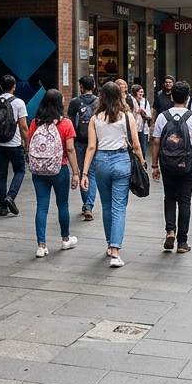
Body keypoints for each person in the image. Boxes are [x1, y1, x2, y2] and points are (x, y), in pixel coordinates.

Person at [79, 81, 144, 268]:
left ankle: (109, 244)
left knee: (106, 206)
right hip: (122, 160)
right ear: (119, 96)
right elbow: (136, 144)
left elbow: (91, 147)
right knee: (119, 207)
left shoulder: (95, 118)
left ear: (101, 97)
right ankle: (116, 251)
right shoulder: (127, 116)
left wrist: (84, 173)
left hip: (101, 162)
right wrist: (142, 162)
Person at [150, 81, 192, 254]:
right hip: (187, 165)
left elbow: (156, 142)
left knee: (169, 197)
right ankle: (182, 242)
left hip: (167, 164)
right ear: (188, 98)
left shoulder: (162, 116)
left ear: (172, 97)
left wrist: (154, 165)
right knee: (184, 201)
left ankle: (170, 230)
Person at [26, 90, 78, 257]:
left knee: (42, 206)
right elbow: (70, 149)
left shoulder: (35, 123)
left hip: (39, 170)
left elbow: (28, 145)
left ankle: (41, 245)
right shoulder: (66, 124)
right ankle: (65, 239)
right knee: (62, 205)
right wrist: (76, 172)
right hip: (59, 168)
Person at [0, 74, 28, 216]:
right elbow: (23, 127)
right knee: (20, 170)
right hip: (14, 143)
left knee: (1, 175)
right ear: (14, 87)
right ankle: (11, 196)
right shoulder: (19, 103)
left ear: (0, 87)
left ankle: (2, 207)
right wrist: (27, 145)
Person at [67, 75, 99, 221]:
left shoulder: (74, 102)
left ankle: (87, 204)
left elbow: (71, 124)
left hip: (79, 142)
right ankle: (88, 206)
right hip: (96, 143)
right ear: (94, 86)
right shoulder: (99, 102)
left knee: (83, 172)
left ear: (81, 86)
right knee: (91, 173)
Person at [131, 84, 152, 160]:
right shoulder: (131, 100)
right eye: (139, 92)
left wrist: (143, 114)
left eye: (142, 92)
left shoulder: (145, 101)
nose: (141, 94)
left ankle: (142, 164)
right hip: (132, 128)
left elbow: (149, 117)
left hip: (143, 128)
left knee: (142, 148)